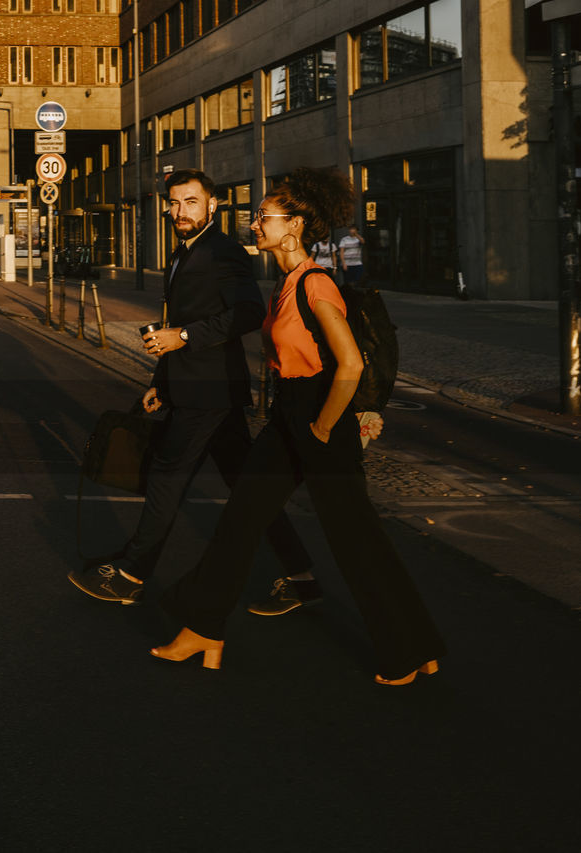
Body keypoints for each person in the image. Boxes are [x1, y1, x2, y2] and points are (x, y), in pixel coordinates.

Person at [149, 166, 445, 686]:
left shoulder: (315, 283)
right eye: (258, 215)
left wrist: (325, 428)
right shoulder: (284, 283)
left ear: (295, 226)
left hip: (318, 419)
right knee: (240, 521)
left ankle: (409, 649)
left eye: (265, 216)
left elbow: (349, 365)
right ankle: (203, 628)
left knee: (357, 541)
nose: (256, 224)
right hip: (290, 416)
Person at [67, 168, 312, 606]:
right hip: (199, 387)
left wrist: (181, 337)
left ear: (212, 205)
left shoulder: (222, 252)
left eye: (191, 202)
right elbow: (178, 321)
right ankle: (302, 577)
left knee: (165, 478)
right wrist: (160, 379)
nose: (180, 211)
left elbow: (247, 312)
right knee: (249, 489)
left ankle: (130, 575)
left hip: (208, 390)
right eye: (175, 202)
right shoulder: (182, 252)